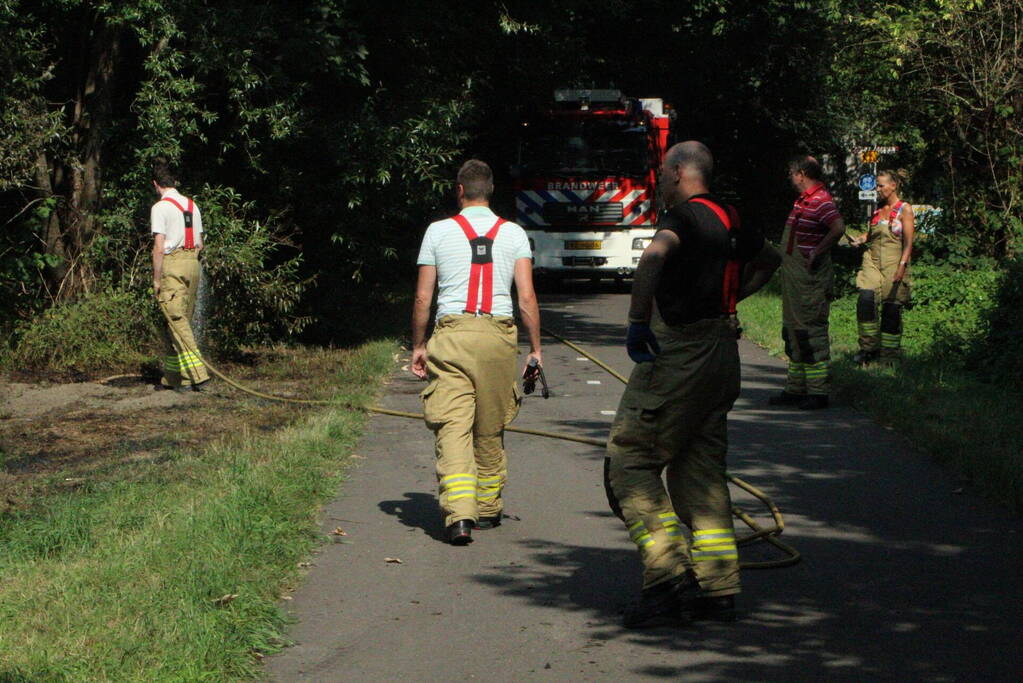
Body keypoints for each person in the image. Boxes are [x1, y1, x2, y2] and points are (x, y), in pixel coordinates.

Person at [606, 141, 780, 628]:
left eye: (663, 173)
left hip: (679, 353)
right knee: (700, 469)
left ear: (681, 171)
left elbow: (653, 260)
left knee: (630, 461)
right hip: (723, 354)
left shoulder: (680, 219)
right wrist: (732, 301)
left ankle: (667, 577)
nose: (660, 181)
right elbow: (769, 260)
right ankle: (718, 588)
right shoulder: (731, 218)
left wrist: (638, 321)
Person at [411, 159, 542, 546]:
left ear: (460, 190)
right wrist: (535, 349)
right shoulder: (514, 234)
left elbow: (423, 296)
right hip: (497, 338)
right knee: (489, 425)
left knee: (452, 426)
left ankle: (459, 516)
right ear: (491, 191)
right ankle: (487, 509)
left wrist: (418, 345)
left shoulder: (437, 232)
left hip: (451, 336)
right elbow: (527, 297)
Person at [769, 155, 845, 410]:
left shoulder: (821, 201)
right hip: (795, 281)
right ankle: (795, 388)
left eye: (792, 173)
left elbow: (838, 227)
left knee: (811, 331)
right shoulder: (804, 201)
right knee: (793, 331)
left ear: (801, 173)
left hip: (810, 281)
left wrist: (817, 251)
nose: (791, 178)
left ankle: (818, 391)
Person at [150, 158, 210, 392]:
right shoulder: (192, 205)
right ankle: (174, 378)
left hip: (173, 264)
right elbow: (201, 243)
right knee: (177, 322)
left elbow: (158, 247)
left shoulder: (160, 208)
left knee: (177, 322)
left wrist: (157, 279)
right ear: (174, 181)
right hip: (193, 263)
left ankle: (198, 375)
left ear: (156, 184)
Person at [851, 170, 915, 364]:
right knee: (866, 299)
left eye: (881, 185)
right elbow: (870, 235)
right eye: (877, 186)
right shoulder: (877, 210)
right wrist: (860, 239)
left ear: (893, 185)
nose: (877, 189)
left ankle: (889, 355)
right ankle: (868, 349)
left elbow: (909, 243)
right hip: (872, 261)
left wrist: (902, 266)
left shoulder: (905, 209)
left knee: (891, 309)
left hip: (894, 262)